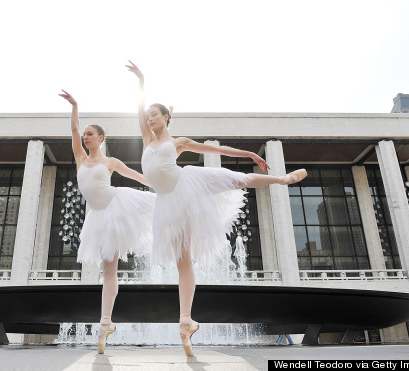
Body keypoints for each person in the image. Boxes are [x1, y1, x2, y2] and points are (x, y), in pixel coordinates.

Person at [125, 61, 307, 356]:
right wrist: (141, 81)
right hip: (168, 204)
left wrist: (248, 152)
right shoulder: (146, 139)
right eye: (147, 117)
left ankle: (282, 179)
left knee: (235, 180)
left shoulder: (178, 141)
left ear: (166, 117)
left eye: (154, 116)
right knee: (183, 263)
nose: (148, 119)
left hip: (187, 186)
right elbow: (138, 108)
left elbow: (217, 151)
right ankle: (186, 321)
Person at [59, 90, 155, 354]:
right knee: (108, 271)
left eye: (90, 134)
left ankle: (183, 214)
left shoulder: (110, 161)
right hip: (98, 217)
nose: (85, 136)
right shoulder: (80, 157)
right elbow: (74, 127)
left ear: (100, 138)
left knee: (159, 206)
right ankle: (106, 322)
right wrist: (75, 105)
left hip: (116, 206)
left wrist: (157, 183)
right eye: (84, 134)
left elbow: (135, 175)